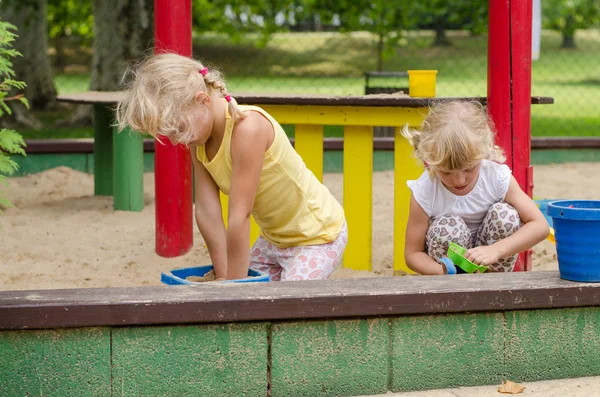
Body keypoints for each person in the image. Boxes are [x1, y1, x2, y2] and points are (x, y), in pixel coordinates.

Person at [116, 53, 347, 281]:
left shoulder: (248, 129)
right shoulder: (199, 141)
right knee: (250, 296)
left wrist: (234, 288)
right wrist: (224, 275)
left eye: (178, 129)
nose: (176, 141)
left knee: (286, 303)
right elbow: (208, 212)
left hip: (317, 237)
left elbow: (239, 216)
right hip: (274, 241)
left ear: (202, 101)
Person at [401, 101, 549, 275]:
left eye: (469, 168)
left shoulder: (496, 177)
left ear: (483, 151)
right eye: (446, 171)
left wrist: (496, 250)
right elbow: (413, 254)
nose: (459, 179)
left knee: (505, 214)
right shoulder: (426, 189)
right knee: (446, 227)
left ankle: (492, 286)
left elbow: (540, 225)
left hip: (493, 262)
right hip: (450, 273)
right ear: (430, 158)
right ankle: (457, 289)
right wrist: (445, 273)